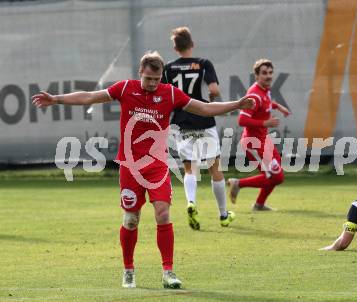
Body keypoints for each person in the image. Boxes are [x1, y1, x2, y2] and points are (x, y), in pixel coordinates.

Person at [31, 51, 254, 289]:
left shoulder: (169, 93)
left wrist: (237, 104)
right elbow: (89, 97)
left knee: (163, 215)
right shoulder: (125, 89)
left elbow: (205, 108)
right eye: (148, 79)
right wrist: (56, 99)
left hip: (157, 166)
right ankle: (128, 269)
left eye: (156, 79)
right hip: (130, 166)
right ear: (140, 73)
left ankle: (168, 271)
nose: (152, 84)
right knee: (131, 220)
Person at [162, 26, 235, 230]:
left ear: (175, 48)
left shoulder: (168, 68)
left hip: (182, 119)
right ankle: (223, 214)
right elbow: (214, 90)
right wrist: (211, 100)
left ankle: (191, 202)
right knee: (214, 166)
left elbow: (165, 95)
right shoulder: (203, 63)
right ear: (191, 45)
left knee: (190, 167)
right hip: (203, 116)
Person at [227, 59, 290, 211]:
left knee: (275, 172)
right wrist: (265, 124)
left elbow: (266, 104)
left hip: (263, 140)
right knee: (276, 177)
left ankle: (259, 204)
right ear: (256, 76)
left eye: (270, 73)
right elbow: (242, 120)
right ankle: (238, 184)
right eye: (264, 73)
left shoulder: (264, 90)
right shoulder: (254, 95)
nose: (268, 76)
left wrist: (278, 106)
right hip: (253, 143)